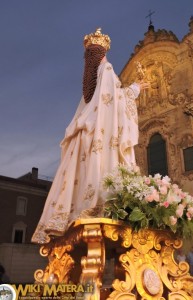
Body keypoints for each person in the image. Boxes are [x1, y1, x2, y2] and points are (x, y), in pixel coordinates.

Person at [31, 28, 149, 244]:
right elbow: (112, 100)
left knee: (81, 176)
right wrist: (135, 88)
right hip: (100, 135)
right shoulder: (107, 69)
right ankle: (95, 209)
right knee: (99, 174)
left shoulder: (90, 77)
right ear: (104, 52)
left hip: (87, 133)